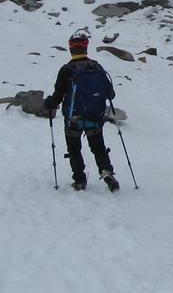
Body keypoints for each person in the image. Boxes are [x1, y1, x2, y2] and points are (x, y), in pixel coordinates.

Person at [43, 30, 118, 192]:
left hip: (73, 118)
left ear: (70, 49)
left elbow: (57, 97)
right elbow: (110, 93)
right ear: (86, 48)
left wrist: (49, 103)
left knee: (74, 149)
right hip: (95, 116)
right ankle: (106, 171)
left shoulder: (66, 70)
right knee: (98, 147)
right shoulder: (96, 67)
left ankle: (80, 180)